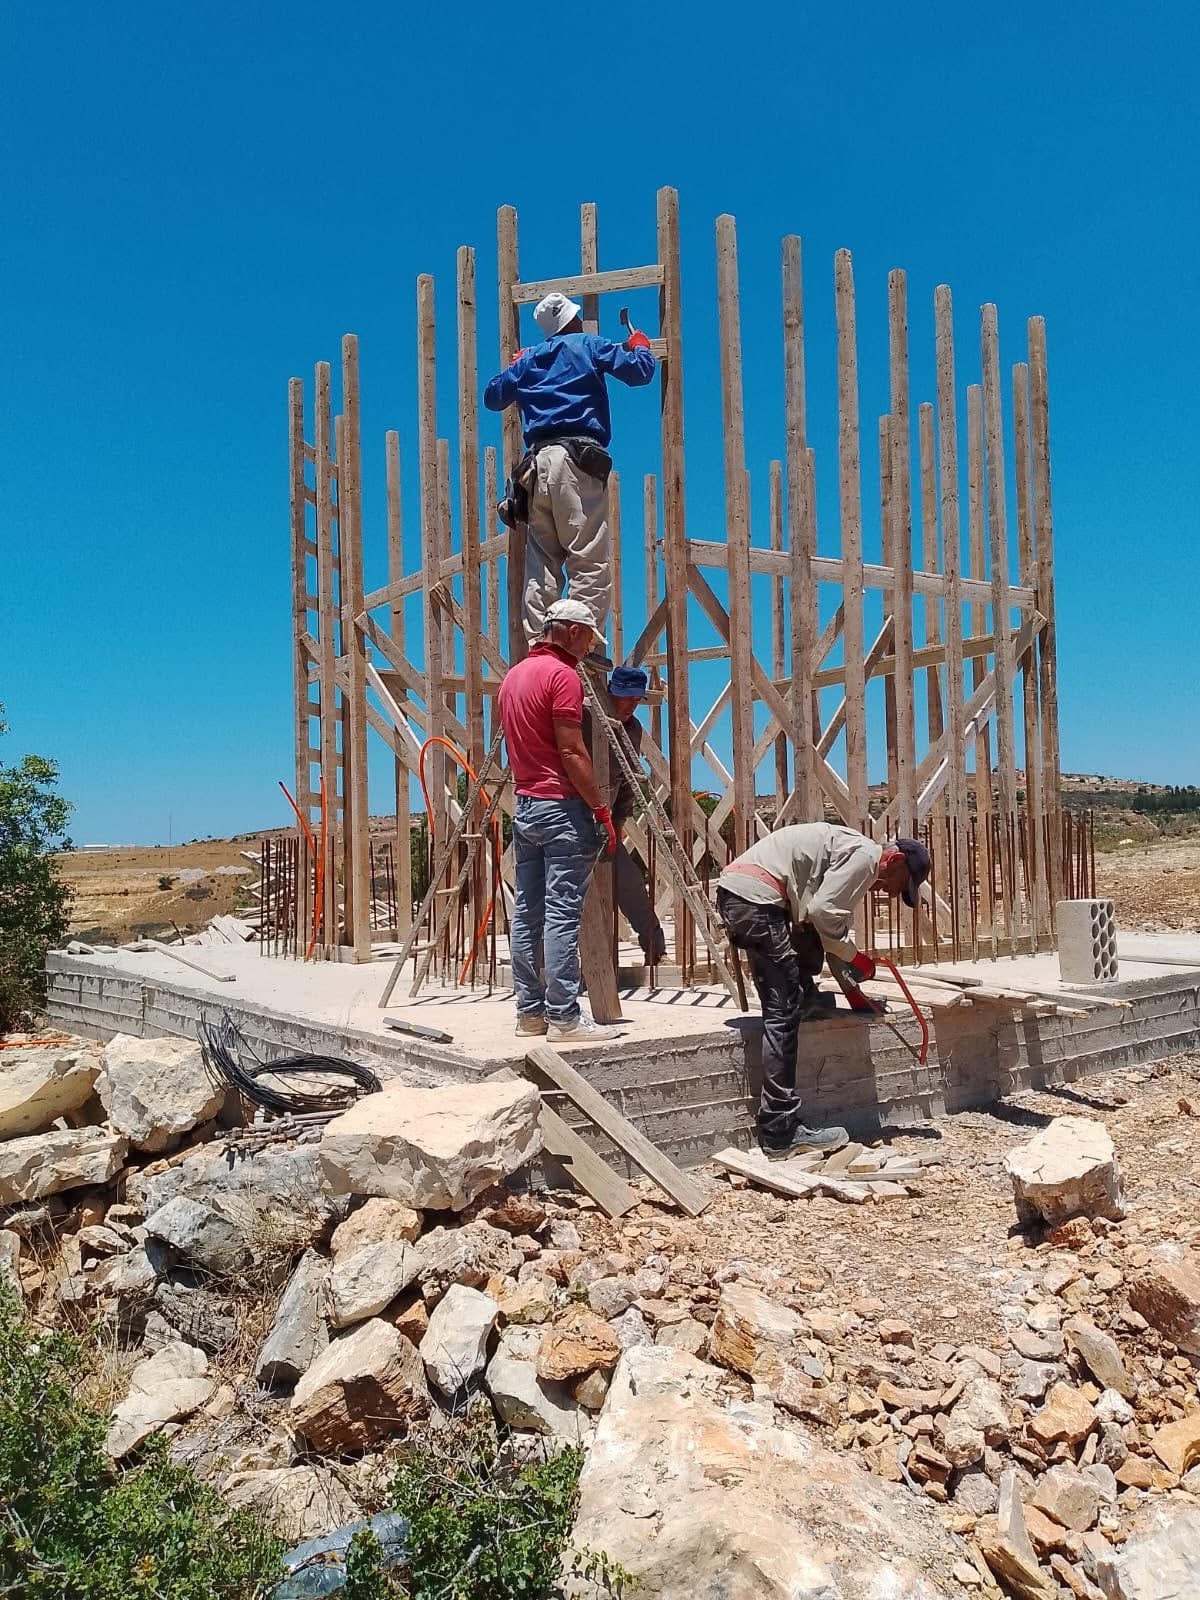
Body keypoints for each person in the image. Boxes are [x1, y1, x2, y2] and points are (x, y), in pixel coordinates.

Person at [716, 825, 932, 1159]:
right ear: (896, 860)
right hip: (756, 900)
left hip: (745, 895)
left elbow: (820, 924)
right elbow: (824, 914)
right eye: (901, 884)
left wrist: (852, 987)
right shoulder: (866, 858)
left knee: (807, 943)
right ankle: (780, 1132)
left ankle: (807, 998)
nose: (892, 893)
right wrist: (857, 959)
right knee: (782, 1013)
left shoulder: (850, 853)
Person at [483, 292, 656, 654]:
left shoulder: (531, 358)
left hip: (536, 467)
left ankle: (538, 647)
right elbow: (639, 373)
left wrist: (519, 365)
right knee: (588, 558)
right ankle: (582, 646)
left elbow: (493, 396)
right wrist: (640, 346)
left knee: (542, 564)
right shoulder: (588, 345)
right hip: (576, 462)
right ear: (573, 320)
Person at [495, 596, 622, 1042]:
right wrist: (601, 810)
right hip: (561, 808)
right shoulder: (562, 677)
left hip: (526, 805)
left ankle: (529, 1014)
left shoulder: (513, 678)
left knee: (527, 914)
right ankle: (564, 1018)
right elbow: (571, 751)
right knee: (562, 914)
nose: (588, 649)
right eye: (588, 640)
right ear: (572, 631)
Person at [581, 664, 668, 964]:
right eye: (625, 697)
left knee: (629, 882)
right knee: (566, 895)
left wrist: (617, 823)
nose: (631, 704)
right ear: (610, 693)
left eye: (636, 699)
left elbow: (629, 780)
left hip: (605, 820)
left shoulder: (632, 729)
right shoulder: (585, 715)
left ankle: (655, 948)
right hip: (574, 816)